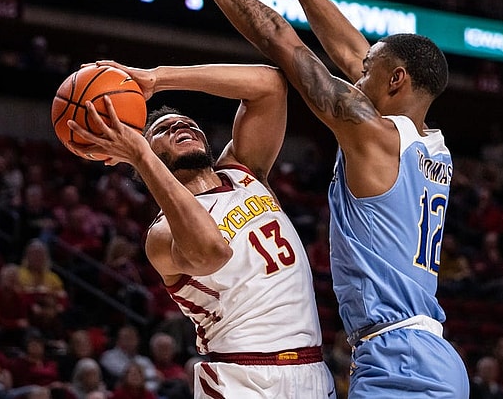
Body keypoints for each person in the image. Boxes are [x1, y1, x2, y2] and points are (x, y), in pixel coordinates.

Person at [178, 0, 469, 396]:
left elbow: (281, 42)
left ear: (396, 80)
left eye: (367, 74)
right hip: (422, 355)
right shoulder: (428, 142)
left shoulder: (374, 137)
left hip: (401, 359)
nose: (356, 78)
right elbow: (356, 55)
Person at [65, 61, 334, 398]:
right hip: (242, 379)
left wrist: (158, 78)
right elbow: (212, 251)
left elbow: (271, 84)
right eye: (163, 130)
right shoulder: (161, 234)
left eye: (187, 122)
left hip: (312, 370)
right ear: (147, 154)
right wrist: (139, 155)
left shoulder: (244, 172)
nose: (181, 125)